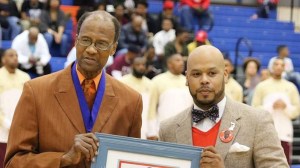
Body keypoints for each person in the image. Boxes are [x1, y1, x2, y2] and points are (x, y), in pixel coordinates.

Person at [4, 11, 142, 168]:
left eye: (101, 44)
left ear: (113, 49)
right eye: (85, 40)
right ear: (76, 41)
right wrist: (63, 159)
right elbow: (13, 162)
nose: (91, 49)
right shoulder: (36, 91)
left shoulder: (131, 101)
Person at [159, 45, 289, 168]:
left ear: (225, 75)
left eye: (212, 73)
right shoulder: (167, 129)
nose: (204, 80)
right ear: (187, 78)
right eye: (196, 74)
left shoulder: (257, 121)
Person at [252, 58, 300, 165]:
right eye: (276, 64)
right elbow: (254, 108)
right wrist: (270, 106)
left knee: (285, 163)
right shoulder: (262, 86)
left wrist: (285, 107)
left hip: (285, 132)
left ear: (284, 68)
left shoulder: (291, 87)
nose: (279, 67)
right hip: (265, 132)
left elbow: (297, 110)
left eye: (281, 65)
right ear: (271, 66)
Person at [148, 53, 193, 140]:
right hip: (162, 131)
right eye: (177, 60)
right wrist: (151, 131)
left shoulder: (189, 81)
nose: (182, 63)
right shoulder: (157, 81)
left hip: (186, 132)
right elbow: (151, 108)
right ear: (169, 64)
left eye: (182, 61)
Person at [0, 49, 30, 167]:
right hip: (2, 130)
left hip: (21, 127)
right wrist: (5, 122)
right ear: (3, 59)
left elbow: (29, 103)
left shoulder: (25, 76)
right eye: (11, 55)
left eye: (17, 55)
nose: (15, 57)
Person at [120, 57, 153, 139]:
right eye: (138, 65)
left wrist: (152, 130)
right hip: (126, 122)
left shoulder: (151, 84)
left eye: (143, 65)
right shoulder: (122, 81)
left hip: (145, 123)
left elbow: (151, 108)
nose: (141, 67)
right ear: (132, 66)